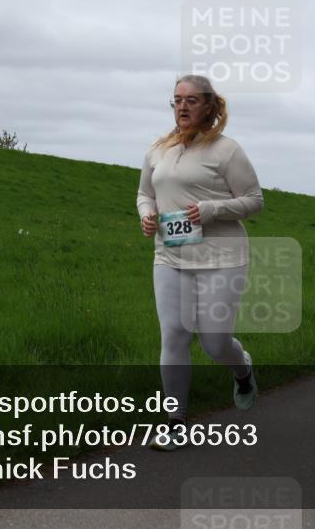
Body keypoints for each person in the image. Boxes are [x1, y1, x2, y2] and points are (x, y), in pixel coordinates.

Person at [137, 75, 263, 451]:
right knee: (173, 335)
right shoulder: (158, 149)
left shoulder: (227, 150)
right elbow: (145, 193)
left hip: (221, 257)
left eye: (192, 100)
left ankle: (242, 369)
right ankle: (175, 422)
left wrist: (210, 210)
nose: (183, 106)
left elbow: (254, 200)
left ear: (209, 105)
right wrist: (146, 214)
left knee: (214, 343)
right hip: (170, 255)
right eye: (177, 100)